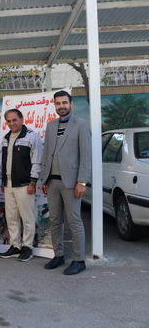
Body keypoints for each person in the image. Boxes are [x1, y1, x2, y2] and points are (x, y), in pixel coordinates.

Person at [41, 90, 91, 275]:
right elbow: (47, 153)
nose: (61, 106)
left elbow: (86, 156)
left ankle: (79, 260)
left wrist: (82, 182)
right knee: (54, 220)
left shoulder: (81, 125)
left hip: (71, 183)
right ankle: (59, 255)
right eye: (58, 103)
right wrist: (44, 178)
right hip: (52, 182)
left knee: (74, 221)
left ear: (71, 104)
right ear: (54, 105)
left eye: (64, 102)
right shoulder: (51, 125)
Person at [0, 109, 43, 262]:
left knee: (27, 217)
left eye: (14, 120)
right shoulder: (6, 138)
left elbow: (37, 161)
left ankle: (27, 247)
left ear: (22, 119)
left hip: (25, 185)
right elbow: (4, 163)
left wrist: (33, 182)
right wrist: (3, 181)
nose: (12, 123)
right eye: (9, 121)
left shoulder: (31, 136)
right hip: (9, 185)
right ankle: (15, 245)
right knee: (11, 217)